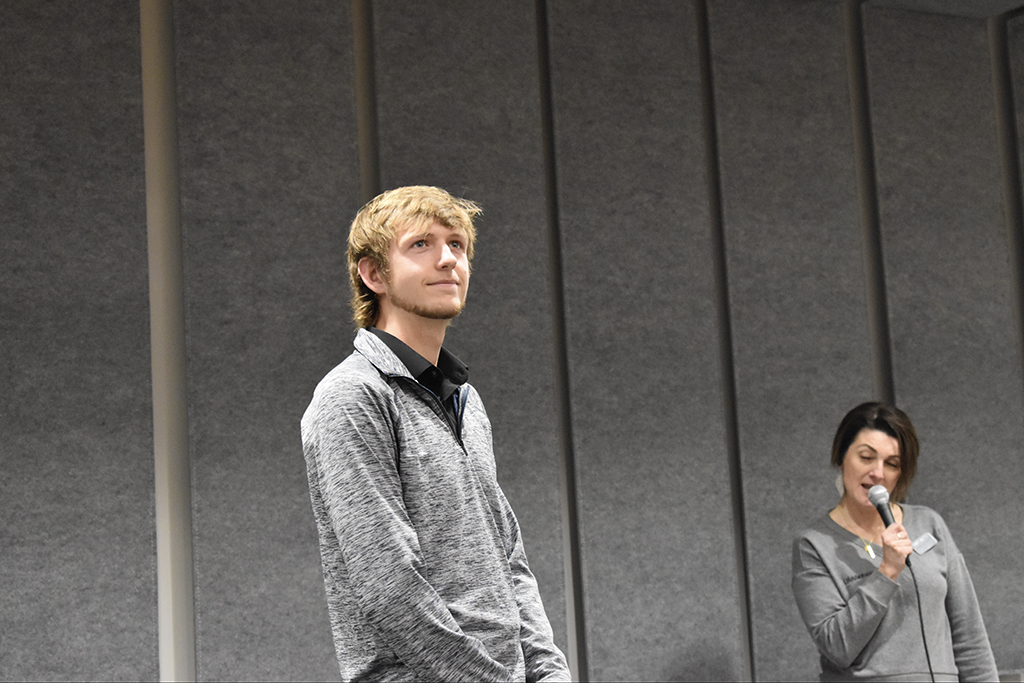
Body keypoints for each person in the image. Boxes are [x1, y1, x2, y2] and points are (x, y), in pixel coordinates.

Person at [301, 186, 571, 682]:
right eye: (421, 244)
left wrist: (550, 673)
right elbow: (388, 584)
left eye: (457, 245)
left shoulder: (466, 400)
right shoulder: (353, 396)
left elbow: (508, 555)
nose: (448, 260)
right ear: (373, 274)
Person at [791, 402, 998, 681]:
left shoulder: (929, 523)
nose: (878, 472)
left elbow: (970, 638)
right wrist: (887, 571)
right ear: (842, 458)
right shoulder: (814, 544)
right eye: (866, 457)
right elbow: (837, 647)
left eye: (891, 464)